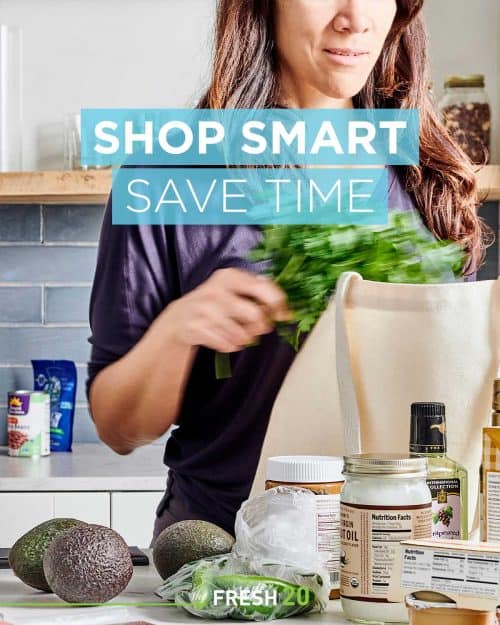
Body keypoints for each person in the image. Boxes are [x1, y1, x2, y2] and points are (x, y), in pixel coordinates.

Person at [87, 0, 488, 541]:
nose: (355, 17)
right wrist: (178, 330)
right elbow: (117, 427)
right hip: (226, 553)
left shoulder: (427, 173)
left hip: (408, 547)